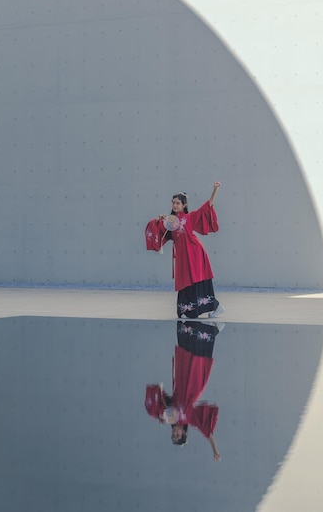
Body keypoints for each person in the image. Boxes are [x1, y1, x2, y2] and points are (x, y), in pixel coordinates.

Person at [145, 320, 222, 461]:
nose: (175, 432)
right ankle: (212, 330)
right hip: (194, 384)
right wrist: (215, 451)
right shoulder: (190, 419)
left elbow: (159, 404)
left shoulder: (169, 417)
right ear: (184, 434)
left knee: (184, 354)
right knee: (198, 360)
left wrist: (158, 416)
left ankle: (190, 323)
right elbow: (208, 433)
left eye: (173, 435)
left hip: (180, 380)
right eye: (177, 435)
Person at [145, 181, 224, 319]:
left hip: (195, 253)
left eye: (178, 203)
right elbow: (159, 231)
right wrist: (158, 221)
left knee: (198, 280)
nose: (175, 205)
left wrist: (215, 190)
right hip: (183, 257)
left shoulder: (190, 217)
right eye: (173, 202)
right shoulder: (170, 221)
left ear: (184, 205)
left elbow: (207, 207)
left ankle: (216, 307)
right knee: (186, 281)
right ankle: (187, 310)